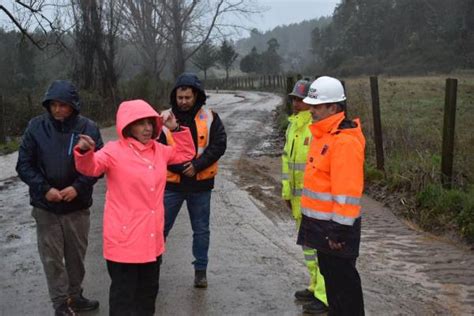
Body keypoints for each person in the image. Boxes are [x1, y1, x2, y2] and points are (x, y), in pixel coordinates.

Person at [73, 99, 195, 315]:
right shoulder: (113, 151)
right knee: (123, 300)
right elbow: (91, 168)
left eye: (150, 123)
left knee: (147, 297)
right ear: (128, 125)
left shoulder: (160, 150)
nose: (147, 128)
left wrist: (175, 128)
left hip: (152, 241)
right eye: (141, 123)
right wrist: (85, 152)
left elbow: (186, 155)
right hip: (124, 243)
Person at [16, 80, 103, 316]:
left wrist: (78, 187)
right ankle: (60, 303)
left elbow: (99, 165)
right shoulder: (36, 127)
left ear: (73, 106)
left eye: (63, 105)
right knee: (52, 258)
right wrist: (44, 188)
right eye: (53, 105)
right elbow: (23, 165)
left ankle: (75, 295)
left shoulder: (88, 128)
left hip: (77, 205)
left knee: (76, 256)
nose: (57, 110)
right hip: (46, 206)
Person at [297, 76, 365, 316]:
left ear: (334, 107)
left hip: (335, 230)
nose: (311, 110)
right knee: (334, 286)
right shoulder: (324, 135)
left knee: (344, 289)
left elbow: (347, 194)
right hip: (322, 227)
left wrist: (339, 231)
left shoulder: (344, 141)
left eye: (316, 106)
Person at [158, 73, 227, 288]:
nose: (184, 101)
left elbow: (219, 145)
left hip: (200, 185)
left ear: (196, 96)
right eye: (180, 97)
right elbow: (158, 149)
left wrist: (197, 166)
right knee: (160, 229)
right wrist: (181, 168)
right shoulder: (164, 120)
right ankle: (151, 268)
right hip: (172, 184)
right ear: (174, 96)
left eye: (188, 97)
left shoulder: (211, 117)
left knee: (201, 230)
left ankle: (200, 271)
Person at [282, 80, 328, 314]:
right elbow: (286, 160)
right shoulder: (292, 126)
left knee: (320, 249)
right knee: (308, 248)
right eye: (294, 99)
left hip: (315, 200)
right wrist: (286, 191)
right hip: (299, 199)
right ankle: (314, 286)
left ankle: (324, 295)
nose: (297, 103)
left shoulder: (316, 127)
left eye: (301, 99)